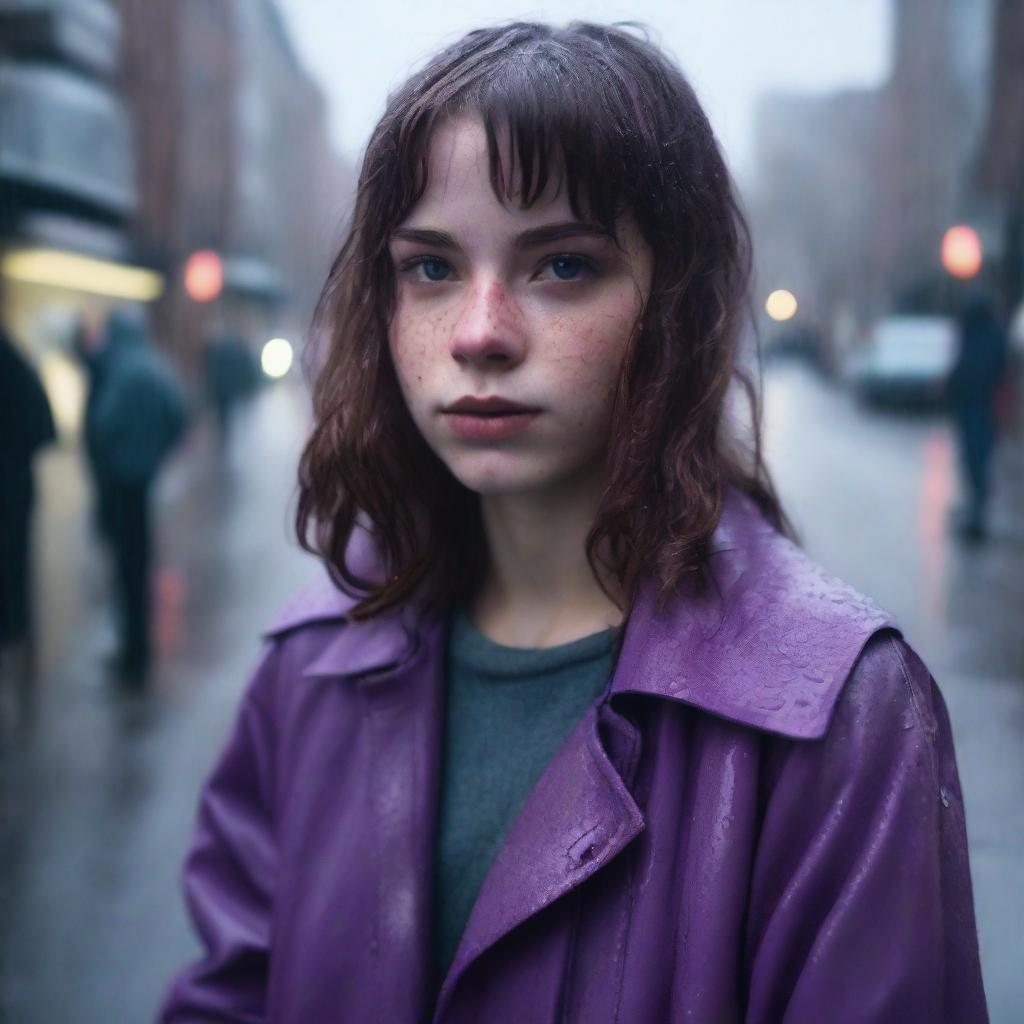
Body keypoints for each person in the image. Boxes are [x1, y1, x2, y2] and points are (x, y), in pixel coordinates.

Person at [160, 23, 987, 1022]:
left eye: (561, 266)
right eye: (430, 268)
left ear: (675, 304)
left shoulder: (839, 716)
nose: (478, 332)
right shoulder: (307, 674)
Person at [87, 308, 187, 683]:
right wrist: (154, 456)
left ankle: (133, 653)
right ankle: (139, 647)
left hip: (120, 485)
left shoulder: (119, 372)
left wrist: (116, 459)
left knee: (126, 567)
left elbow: (103, 425)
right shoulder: (155, 366)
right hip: (143, 482)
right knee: (140, 564)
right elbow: (178, 417)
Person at [0, 327, 56, 676]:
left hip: (14, 486)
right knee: (17, 562)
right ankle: (16, 631)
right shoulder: (21, 368)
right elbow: (45, 429)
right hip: (16, 486)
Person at [947, 295, 1009, 541]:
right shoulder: (995, 337)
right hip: (982, 408)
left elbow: (964, 369)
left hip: (977, 408)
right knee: (978, 462)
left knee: (974, 463)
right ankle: (976, 512)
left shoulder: (973, 337)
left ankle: (976, 514)